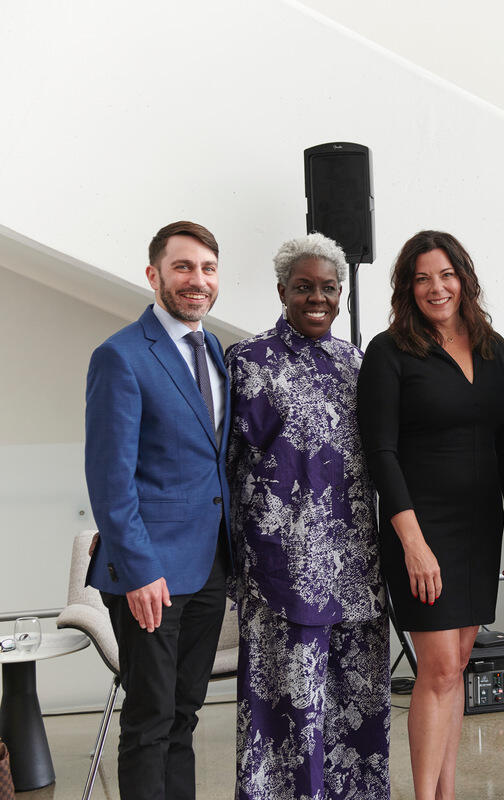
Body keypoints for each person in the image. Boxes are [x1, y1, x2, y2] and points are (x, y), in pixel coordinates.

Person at [358, 230, 504, 800]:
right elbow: (380, 451)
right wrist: (412, 542)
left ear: (464, 278)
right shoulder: (389, 351)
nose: (437, 287)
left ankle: (446, 792)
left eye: (447, 274)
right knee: (435, 670)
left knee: (455, 666)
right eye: (423, 277)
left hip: (481, 525)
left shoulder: (492, 347)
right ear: (408, 286)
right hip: (420, 525)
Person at [225, 234, 390, 799]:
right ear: (282, 291)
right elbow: (224, 468)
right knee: (288, 717)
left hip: (355, 571)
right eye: (303, 287)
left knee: (353, 709)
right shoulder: (246, 362)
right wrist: (238, 567)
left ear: (341, 293)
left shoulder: (356, 363)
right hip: (282, 574)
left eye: (328, 288)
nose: (316, 297)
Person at [84, 220, 232, 800]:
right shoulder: (120, 356)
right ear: (154, 275)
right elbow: (109, 479)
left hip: (209, 565)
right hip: (151, 573)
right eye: (183, 267)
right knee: (149, 720)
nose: (197, 280)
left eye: (208, 268)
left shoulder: (213, 348)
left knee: (185, 715)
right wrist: (141, 569)